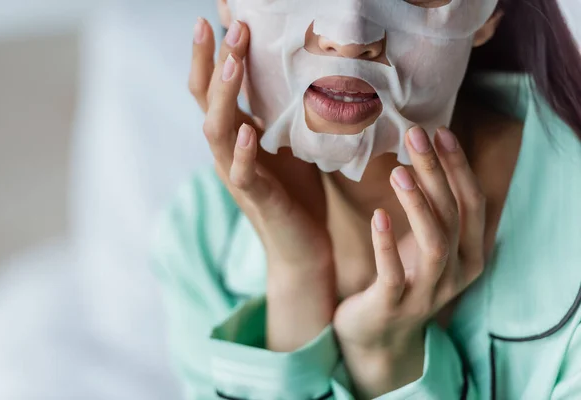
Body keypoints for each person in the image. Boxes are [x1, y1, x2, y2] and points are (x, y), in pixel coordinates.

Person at [153, 0, 581, 399]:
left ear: (490, 14)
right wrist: (297, 278)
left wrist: (386, 358)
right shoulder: (201, 237)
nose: (349, 38)